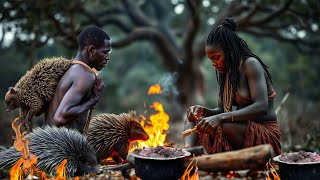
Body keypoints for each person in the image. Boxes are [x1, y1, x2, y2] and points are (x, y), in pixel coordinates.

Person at [184, 18, 281, 155]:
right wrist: (204, 111)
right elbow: (222, 110)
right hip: (239, 129)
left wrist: (219, 118)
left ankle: (199, 155)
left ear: (229, 51)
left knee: (220, 126)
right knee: (192, 119)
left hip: (263, 133)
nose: (213, 63)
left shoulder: (250, 64)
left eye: (216, 58)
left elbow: (261, 106)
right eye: (211, 59)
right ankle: (186, 153)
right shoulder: (226, 72)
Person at [45, 26, 111, 133]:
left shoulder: (72, 68)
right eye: (105, 52)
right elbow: (59, 118)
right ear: (91, 50)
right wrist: (94, 100)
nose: (107, 57)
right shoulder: (84, 75)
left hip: (48, 141)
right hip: (60, 146)